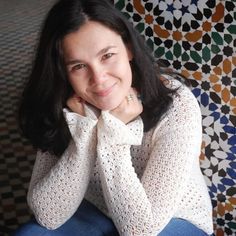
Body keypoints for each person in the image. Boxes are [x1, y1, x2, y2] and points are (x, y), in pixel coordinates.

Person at [14, 0, 214, 235]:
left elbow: (140, 229)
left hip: (171, 218)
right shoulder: (67, 103)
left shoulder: (176, 102)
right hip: (98, 209)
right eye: (79, 66)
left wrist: (114, 132)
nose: (98, 79)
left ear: (128, 47)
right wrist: (85, 134)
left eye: (107, 55)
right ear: (62, 71)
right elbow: (47, 214)